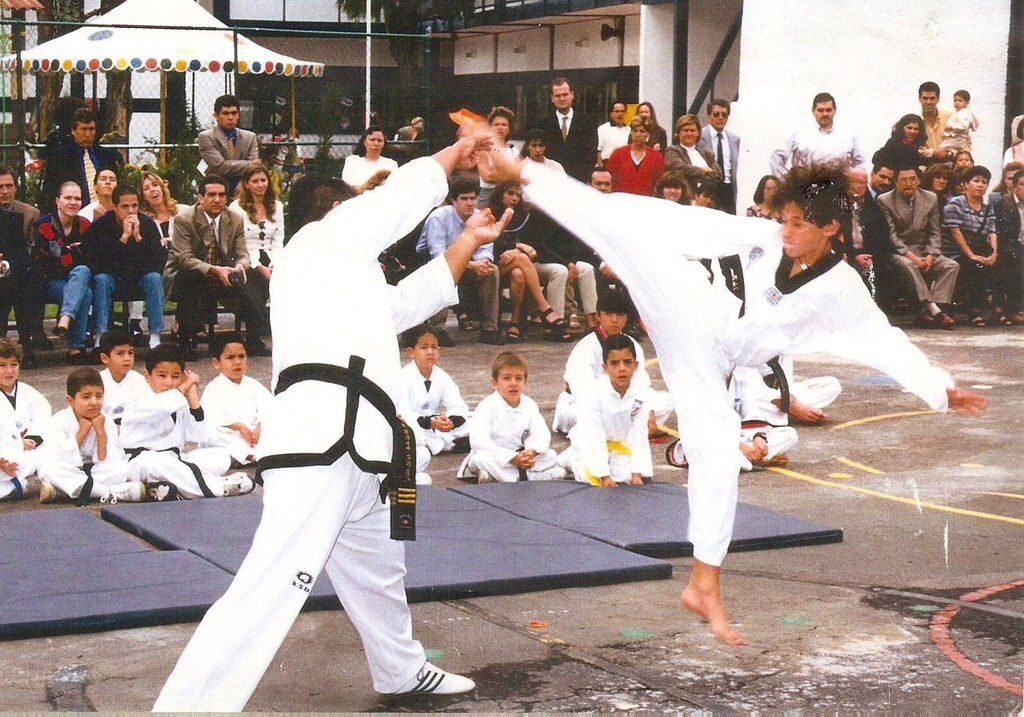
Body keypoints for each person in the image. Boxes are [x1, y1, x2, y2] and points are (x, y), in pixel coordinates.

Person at [487, 149, 987, 647]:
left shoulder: (841, 288)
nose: (784, 230)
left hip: (713, 362)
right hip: (693, 312)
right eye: (783, 219)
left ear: (831, 227)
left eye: (797, 223)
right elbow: (685, 222)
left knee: (719, 453)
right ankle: (524, 170)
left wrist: (939, 386)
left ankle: (704, 583)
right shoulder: (764, 238)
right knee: (629, 221)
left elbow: (884, 342)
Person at [153, 132, 499, 710]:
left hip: (365, 448)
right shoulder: (316, 241)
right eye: (357, 206)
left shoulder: (344, 279)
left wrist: (467, 238)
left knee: (380, 572)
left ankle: (401, 670)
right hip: (321, 443)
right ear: (338, 209)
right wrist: (451, 154)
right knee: (271, 585)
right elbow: (391, 204)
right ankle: (188, 708)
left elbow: (410, 301)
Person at [119, 344, 253, 500]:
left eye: (175, 376)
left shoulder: (177, 399)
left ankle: (165, 490)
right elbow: (164, 406)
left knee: (220, 455)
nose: (169, 382)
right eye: (162, 376)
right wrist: (184, 386)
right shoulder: (138, 397)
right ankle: (216, 487)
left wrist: (192, 396)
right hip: (139, 463)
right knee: (157, 462)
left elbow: (200, 435)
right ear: (147, 376)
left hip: (175, 460)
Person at [169, 173, 271, 359]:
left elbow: (243, 253)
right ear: (201, 198)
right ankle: (184, 343)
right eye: (211, 195)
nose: (217, 199)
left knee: (255, 276)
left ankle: (254, 338)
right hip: (195, 273)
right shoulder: (184, 219)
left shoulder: (234, 218)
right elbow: (184, 258)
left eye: (222, 195)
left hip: (225, 275)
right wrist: (215, 270)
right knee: (188, 277)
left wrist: (241, 266)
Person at [551, 289, 669, 435]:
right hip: (588, 403)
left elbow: (639, 382)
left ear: (626, 318)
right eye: (609, 314)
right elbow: (581, 390)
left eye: (620, 315)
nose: (614, 320)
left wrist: (646, 410)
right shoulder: (586, 347)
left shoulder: (632, 344)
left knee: (664, 402)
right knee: (583, 415)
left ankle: (626, 426)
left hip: (623, 401)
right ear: (598, 317)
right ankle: (629, 428)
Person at [36, 367, 144, 505]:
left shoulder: (106, 420)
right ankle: (110, 492)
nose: (94, 402)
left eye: (99, 396)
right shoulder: (59, 420)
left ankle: (64, 491)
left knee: (121, 470)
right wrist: (82, 432)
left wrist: (100, 431)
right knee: (48, 469)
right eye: (86, 397)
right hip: (71, 470)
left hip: (98, 472)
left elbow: (108, 459)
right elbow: (58, 458)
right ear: (70, 401)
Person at [416, 178, 502, 345]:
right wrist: (470, 264)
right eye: (464, 198)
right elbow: (438, 255)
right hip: (432, 266)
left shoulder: (481, 217)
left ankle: (490, 329)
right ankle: (437, 329)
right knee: (443, 271)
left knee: (492, 270)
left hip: (468, 265)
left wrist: (483, 263)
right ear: (453, 201)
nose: (470, 203)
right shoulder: (439, 218)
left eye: (473, 198)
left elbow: (485, 250)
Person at [558, 333, 651, 487]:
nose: (622, 369)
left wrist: (637, 474)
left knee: (626, 478)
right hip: (590, 443)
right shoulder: (593, 392)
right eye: (614, 363)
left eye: (627, 362)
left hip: (618, 445)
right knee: (592, 480)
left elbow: (638, 433)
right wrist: (604, 475)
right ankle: (572, 457)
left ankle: (618, 468)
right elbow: (594, 433)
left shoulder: (641, 392)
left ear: (635, 365)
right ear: (605, 368)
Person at [457, 351, 564, 483]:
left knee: (550, 456)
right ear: (495, 383)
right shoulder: (486, 406)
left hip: (522, 457)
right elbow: (479, 441)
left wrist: (531, 452)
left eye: (518, 378)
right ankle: (522, 479)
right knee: (482, 459)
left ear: (525, 382)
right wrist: (511, 458)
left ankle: (495, 478)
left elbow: (541, 434)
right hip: (496, 456)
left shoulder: (530, 405)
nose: (513, 383)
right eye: (507, 378)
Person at [486, 181, 572, 342]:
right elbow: (490, 246)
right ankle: (544, 308)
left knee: (519, 273)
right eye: (510, 194)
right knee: (521, 258)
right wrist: (518, 246)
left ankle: (515, 323)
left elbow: (537, 247)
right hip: (496, 264)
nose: (515, 198)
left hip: (521, 267)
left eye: (518, 195)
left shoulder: (526, 216)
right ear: (500, 194)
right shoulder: (490, 214)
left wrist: (522, 250)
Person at [876, 166, 959, 328]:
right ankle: (934, 311)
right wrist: (912, 257)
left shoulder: (930, 198)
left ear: (919, 180)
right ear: (896, 182)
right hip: (899, 252)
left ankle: (931, 311)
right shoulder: (884, 200)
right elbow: (892, 236)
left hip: (924, 250)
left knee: (951, 265)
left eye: (912, 179)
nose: (908, 183)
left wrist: (930, 255)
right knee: (908, 265)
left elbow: (935, 233)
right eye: (903, 180)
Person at [86, 184, 166, 350]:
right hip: (112, 278)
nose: (131, 211)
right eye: (125, 206)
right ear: (114, 207)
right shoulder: (101, 226)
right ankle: (101, 335)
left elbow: (156, 263)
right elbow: (99, 263)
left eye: (134, 205)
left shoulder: (147, 224)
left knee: (154, 278)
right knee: (101, 279)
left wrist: (137, 237)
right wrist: (123, 238)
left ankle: (155, 336)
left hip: (139, 278)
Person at [33, 181, 93, 363]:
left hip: (75, 279)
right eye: (68, 198)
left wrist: (65, 252)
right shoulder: (44, 224)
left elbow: (90, 258)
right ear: (57, 201)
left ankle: (65, 319)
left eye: (77, 198)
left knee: (83, 274)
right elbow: (53, 260)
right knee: (83, 287)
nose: (73, 202)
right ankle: (76, 347)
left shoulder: (84, 225)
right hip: (49, 282)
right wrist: (74, 251)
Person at [942, 166, 1009, 327]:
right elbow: (955, 233)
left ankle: (999, 309)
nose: (980, 185)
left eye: (984, 182)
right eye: (976, 181)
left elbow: (992, 232)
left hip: (979, 249)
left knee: (1002, 261)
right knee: (975, 265)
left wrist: (993, 254)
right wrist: (971, 255)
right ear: (966, 184)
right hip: (956, 251)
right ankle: (974, 310)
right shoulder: (956, 204)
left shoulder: (988, 208)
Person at [399, 323, 471, 461]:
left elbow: (459, 406)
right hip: (417, 424)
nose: (430, 352)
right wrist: (430, 423)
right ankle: (449, 445)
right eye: (424, 347)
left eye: (434, 347)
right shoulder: (404, 377)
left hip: (436, 425)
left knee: (474, 421)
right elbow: (404, 412)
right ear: (411, 352)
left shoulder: (441, 376)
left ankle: (443, 443)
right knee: (411, 432)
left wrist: (450, 421)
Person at [200, 332, 273, 467]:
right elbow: (210, 420)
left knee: (277, 424)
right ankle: (249, 456)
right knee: (211, 434)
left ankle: (256, 454)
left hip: (254, 435)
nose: (237, 362)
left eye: (241, 356)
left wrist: (261, 425)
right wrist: (237, 426)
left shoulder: (253, 385)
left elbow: (270, 408)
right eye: (230, 358)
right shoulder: (213, 389)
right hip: (231, 436)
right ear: (217, 363)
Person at [40, 107, 122, 214]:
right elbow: (49, 194)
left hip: (106, 212)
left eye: (91, 129)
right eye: (83, 129)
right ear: (73, 131)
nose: (88, 134)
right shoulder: (59, 158)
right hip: (74, 214)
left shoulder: (106, 155)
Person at [228, 162, 284, 314]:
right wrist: (259, 267)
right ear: (246, 184)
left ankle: (262, 323)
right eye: (255, 181)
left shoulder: (277, 206)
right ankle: (256, 325)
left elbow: (278, 240)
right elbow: (238, 244)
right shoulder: (236, 208)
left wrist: (275, 264)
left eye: (263, 180)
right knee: (254, 278)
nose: (260, 185)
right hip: (245, 258)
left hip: (270, 256)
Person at [770, 92, 866, 176]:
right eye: (820, 110)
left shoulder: (848, 134)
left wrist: (853, 184)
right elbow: (776, 157)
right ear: (813, 111)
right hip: (805, 189)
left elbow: (860, 162)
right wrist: (786, 182)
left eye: (828, 110)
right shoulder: (798, 133)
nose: (825, 114)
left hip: (838, 189)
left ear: (835, 110)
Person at [0, 338, 49, 496]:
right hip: (5, 452)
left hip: (30, 449)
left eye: (13, 365)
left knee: (49, 454)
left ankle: (21, 486)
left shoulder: (28, 392)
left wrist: (31, 439)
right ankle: (25, 485)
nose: (9, 371)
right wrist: (17, 444)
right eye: (2, 365)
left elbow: (44, 417)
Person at [0, 187, 37, 365]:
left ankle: (24, 348)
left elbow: (22, 257)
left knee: (20, 282)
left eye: (8, 186)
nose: (4, 191)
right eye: (0, 187)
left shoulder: (13, 219)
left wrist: (4, 266)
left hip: (7, 277)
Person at [539, 77, 598, 182]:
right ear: (552, 98)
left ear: (572, 95)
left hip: (578, 182)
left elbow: (591, 156)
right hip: (550, 182)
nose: (561, 99)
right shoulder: (542, 125)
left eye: (565, 94)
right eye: (557, 95)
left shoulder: (587, 124)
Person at [197, 95, 259, 192]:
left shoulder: (250, 137)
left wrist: (250, 166)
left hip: (244, 190)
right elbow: (220, 167)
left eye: (234, 113)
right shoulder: (206, 137)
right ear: (216, 116)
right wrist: (249, 164)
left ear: (238, 115)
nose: (230, 118)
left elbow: (254, 169)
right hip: (217, 190)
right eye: (225, 113)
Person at [698, 99, 740, 214]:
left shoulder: (734, 139)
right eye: (716, 114)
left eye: (724, 115)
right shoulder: (700, 136)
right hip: (708, 188)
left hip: (728, 188)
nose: (720, 118)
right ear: (708, 115)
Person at [97, 330, 147, 427]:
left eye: (130, 353)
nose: (127, 358)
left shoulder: (139, 381)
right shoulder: (97, 381)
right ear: (105, 358)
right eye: (120, 353)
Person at [605, 117, 665, 196]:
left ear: (648, 134)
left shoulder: (657, 157)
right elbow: (609, 181)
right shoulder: (617, 154)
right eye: (635, 131)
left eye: (642, 131)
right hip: (620, 202)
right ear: (631, 133)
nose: (638, 135)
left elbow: (659, 186)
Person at [664, 114, 721, 195]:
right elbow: (680, 169)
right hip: (686, 198)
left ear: (698, 133)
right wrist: (703, 171)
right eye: (685, 130)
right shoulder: (672, 151)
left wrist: (694, 175)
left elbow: (718, 175)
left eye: (692, 130)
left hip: (707, 200)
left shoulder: (707, 153)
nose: (689, 133)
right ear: (678, 133)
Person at [994, 168, 1024, 322]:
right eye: (1023, 184)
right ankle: (1012, 309)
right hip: (1008, 247)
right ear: (1014, 186)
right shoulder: (1005, 203)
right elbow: (1004, 235)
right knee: (1016, 258)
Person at [477, 106, 520, 205]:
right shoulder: (483, 148)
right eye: (496, 124)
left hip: (510, 196)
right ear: (490, 127)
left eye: (504, 124)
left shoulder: (514, 151)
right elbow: (487, 177)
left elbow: (518, 176)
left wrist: (498, 174)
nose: (500, 127)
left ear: (509, 128)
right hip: (488, 195)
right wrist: (509, 174)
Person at [342, 125, 399, 189]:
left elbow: (393, 187)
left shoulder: (391, 164)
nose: (376, 143)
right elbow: (347, 186)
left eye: (379, 140)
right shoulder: (352, 161)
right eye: (372, 140)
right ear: (364, 142)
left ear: (383, 144)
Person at [917, 81, 953, 165]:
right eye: (925, 98)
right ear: (919, 99)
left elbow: (963, 140)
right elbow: (912, 149)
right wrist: (933, 153)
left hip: (950, 164)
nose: (928, 102)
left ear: (938, 99)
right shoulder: (914, 123)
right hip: (926, 166)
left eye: (932, 98)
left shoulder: (950, 117)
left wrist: (951, 152)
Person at [596, 100, 630, 167]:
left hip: (624, 165)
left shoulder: (629, 130)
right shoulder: (603, 128)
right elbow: (598, 149)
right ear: (611, 114)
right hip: (606, 163)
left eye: (622, 111)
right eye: (617, 111)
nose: (620, 114)